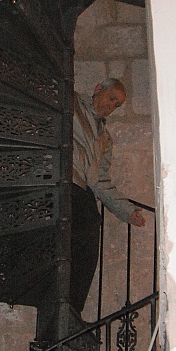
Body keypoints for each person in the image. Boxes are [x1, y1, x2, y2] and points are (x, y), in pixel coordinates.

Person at [71, 78, 146, 315]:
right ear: (97, 89)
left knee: (89, 240)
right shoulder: (70, 102)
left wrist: (127, 211)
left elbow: (100, 180)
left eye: (118, 105)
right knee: (86, 225)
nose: (112, 106)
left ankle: (72, 311)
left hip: (81, 188)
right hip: (61, 179)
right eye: (112, 98)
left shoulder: (105, 140)